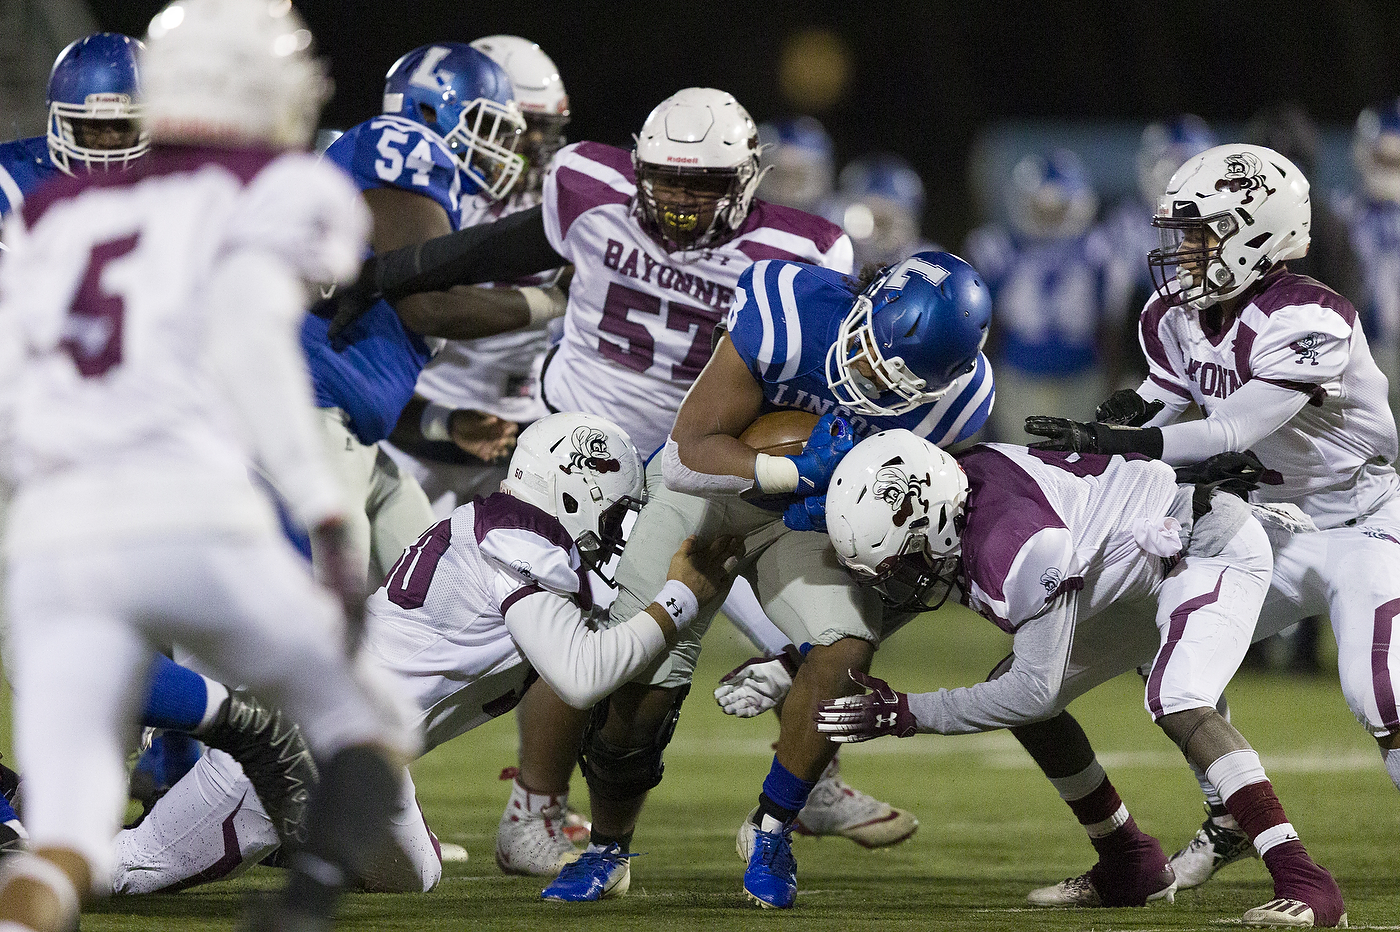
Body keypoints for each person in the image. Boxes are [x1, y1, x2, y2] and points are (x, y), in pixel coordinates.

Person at [325, 86, 915, 869]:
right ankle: (532, 808)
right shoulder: (588, 188)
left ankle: (813, 781)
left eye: (702, 184)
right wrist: (389, 272)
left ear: (745, 179)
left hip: (705, 462)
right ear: (637, 166)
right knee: (558, 633)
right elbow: (498, 249)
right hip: (577, 453)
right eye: (668, 179)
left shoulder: (805, 251)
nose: (679, 200)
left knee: (810, 636)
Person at [0, 2, 418, 930]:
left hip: (55, 537)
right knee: (375, 717)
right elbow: (248, 340)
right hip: (191, 513)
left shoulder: (55, 207)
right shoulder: (271, 186)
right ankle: (303, 904)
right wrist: (321, 508)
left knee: (62, 834)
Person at [108, 413, 742, 895]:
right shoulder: (521, 545)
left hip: (365, 747)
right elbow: (581, 675)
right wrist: (681, 600)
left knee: (415, 875)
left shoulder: (510, 529)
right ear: (573, 491)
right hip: (300, 741)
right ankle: (21, 844)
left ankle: (300, 826)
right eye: (613, 510)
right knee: (122, 871)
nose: (616, 527)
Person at [536, 250, 994, 906]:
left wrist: (836, 504)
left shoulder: (962, 404)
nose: (866, 377)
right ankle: (608, 848)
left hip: (812, 519)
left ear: (944, 380)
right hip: (716, 487)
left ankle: (774, 827)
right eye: (866, 350)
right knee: (638, 690)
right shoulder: (792, 309)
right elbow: (691, 453)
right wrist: (788, 471)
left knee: (844, 649)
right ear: (864, 304)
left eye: (891, 379)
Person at [1019, 143, 1400, 894]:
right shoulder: (1174, 314)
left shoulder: (1307, 314)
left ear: (1258, 232)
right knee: (1163, 638)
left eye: (1200, 233)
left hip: (1362, 518)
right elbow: (1172, 399)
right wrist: (1130, 413)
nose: (1182, 251)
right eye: (1181, 233)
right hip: (1272, 522)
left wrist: (1117, 440)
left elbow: (1230, 430)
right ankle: (1228, 811)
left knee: (1380, 689)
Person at [811, 431, 1346, 928]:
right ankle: (1129, 862)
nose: (906, 579)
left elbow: (1032, 691)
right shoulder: (958, 490)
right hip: (1137, 565)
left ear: (936, 520)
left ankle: (1305, 879)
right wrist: (789, 662)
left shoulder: (1014, 543)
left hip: (1202, 543)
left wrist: (906, 712)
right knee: (1016, 692)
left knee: (1176, 698)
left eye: (905, 562)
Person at [382, 34, 574, 518]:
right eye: (520, 125)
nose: (532, 143)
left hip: (522, 432)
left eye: (545, 129)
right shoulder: (423, 199)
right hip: (414, 426)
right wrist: (553, 300)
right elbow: (427, 312)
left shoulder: (562, 197)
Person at [964, 149, 1132, 441]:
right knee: (1020, 466)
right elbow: (986, 330)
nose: (1049, 214)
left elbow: (1111, 329)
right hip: (1018, 380)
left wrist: (1112, 382)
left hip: (1083, 378)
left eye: (1058, 206)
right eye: (1040, 205)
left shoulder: (1100, 250)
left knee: (1081, 467)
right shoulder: (998, 248)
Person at [0, 32, 147, 219]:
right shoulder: (8, 181)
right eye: (95, 128)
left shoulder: (176, 188)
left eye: (122, 126)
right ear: (59, 123)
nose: (109, 140)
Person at [1338, 97, 1400, 410]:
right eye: (1382, 158)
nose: (1387, 169)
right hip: (1356, 353)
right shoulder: (1343, 214)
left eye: (1395, 161)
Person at [826, 153, 937, 271]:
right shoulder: (824, 255)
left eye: (887, 221)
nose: (879, 230)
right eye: (872, 218)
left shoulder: (928, 263)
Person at [755, 115, 836, 214]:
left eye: (797, 177)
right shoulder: (745, 220)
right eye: (778, 176)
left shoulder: (840, 219)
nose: (787, 190)